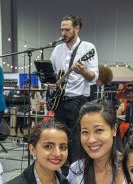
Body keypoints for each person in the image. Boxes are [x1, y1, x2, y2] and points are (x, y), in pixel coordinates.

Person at [51, 14, 99, 163]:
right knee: (60, 137)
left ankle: (76, 171)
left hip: (78, 101)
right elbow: (53, 74)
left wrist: (83, 71)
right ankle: (62, 169)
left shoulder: (88, 48)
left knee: (76, 139)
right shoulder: (57, 50)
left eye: (67, 30)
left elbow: (94, 77)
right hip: (59, 101)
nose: (63, 33)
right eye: (61, 30)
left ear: (77, 28)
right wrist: (51, 83)